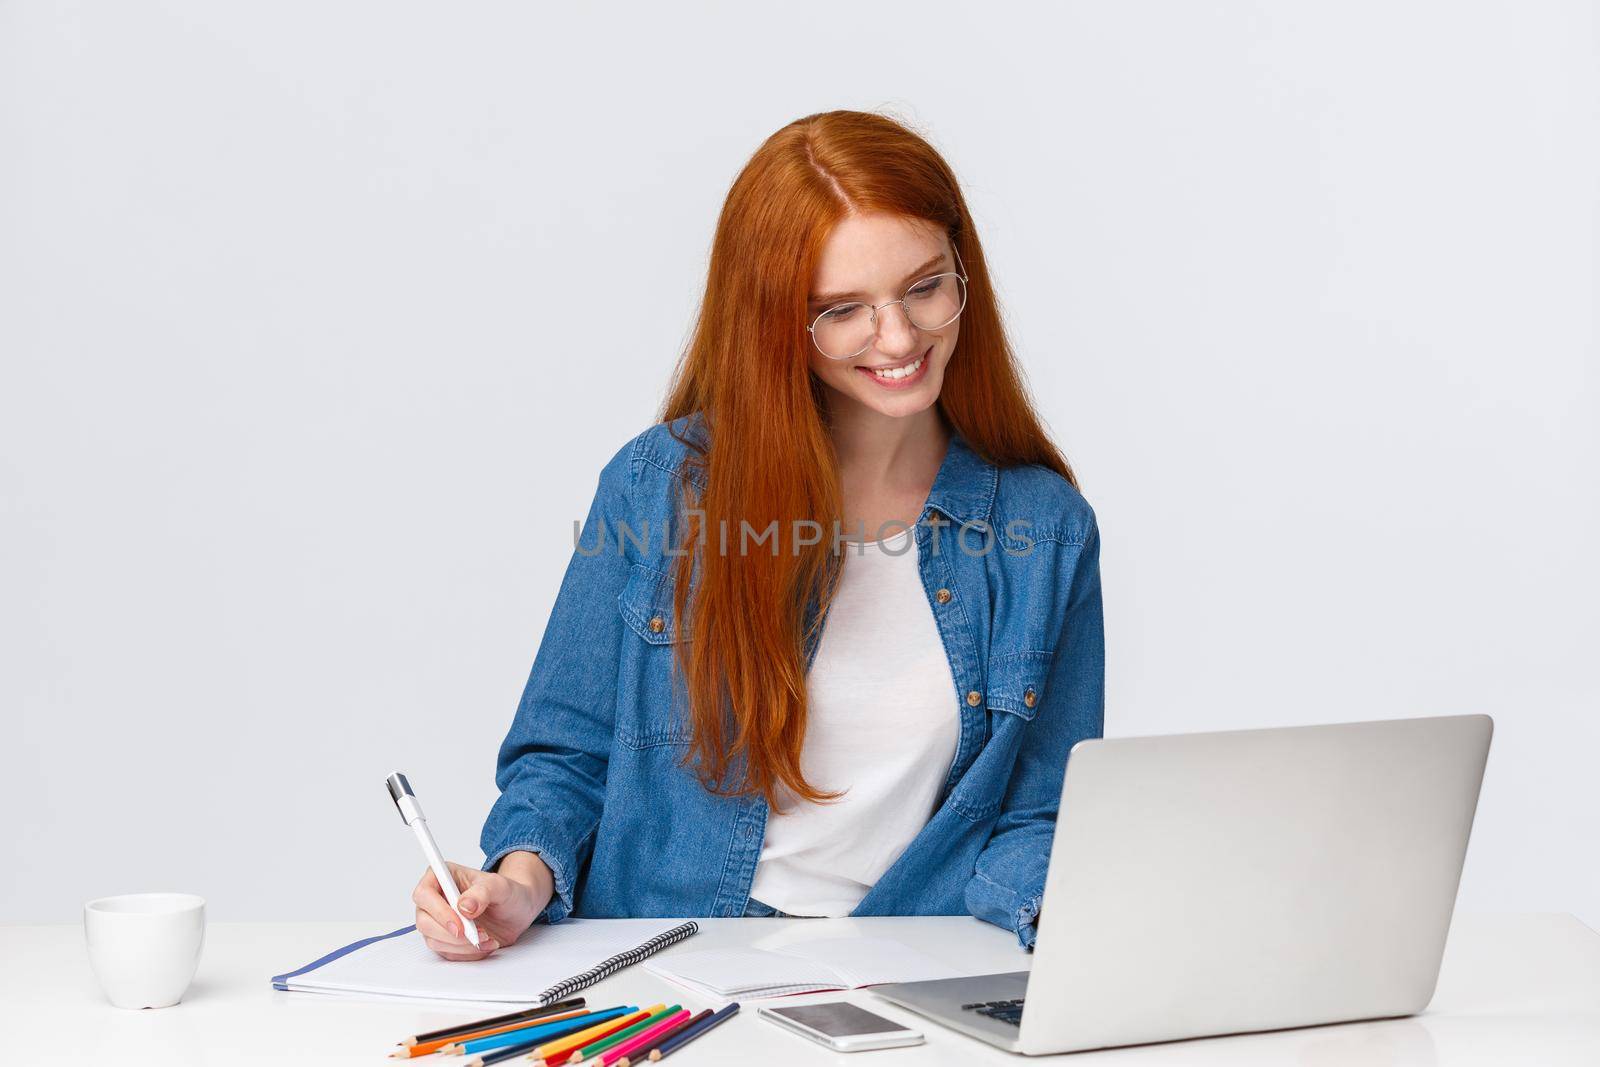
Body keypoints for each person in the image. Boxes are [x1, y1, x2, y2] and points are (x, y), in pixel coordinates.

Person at [412, 109, 1104, 961]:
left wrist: (1067, 924)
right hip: (676, 958)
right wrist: (516, 885)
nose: (899, 338)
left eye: (925, 287)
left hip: (915, 961)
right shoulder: (658, 487)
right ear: (775, 321)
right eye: (842, 309)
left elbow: (1040, 811)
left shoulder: (1044, 528)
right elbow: (566, 755)